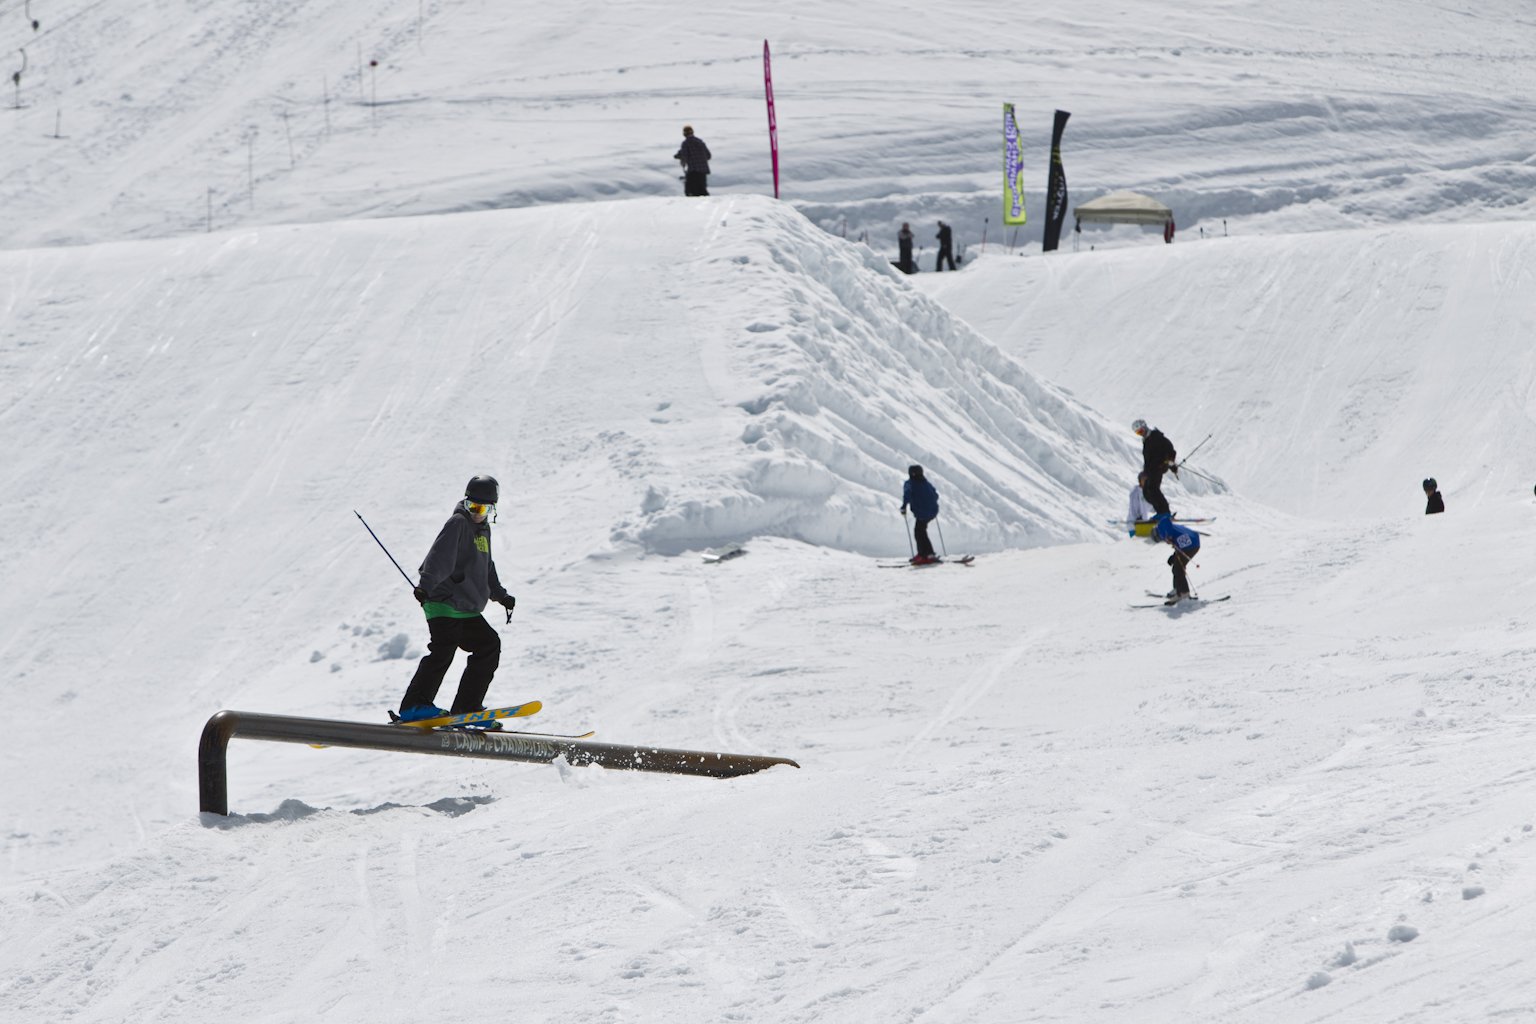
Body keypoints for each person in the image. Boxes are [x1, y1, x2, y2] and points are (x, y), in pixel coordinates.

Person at [398, 475, 518, 726]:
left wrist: (500, 595)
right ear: (465, 503)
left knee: (488, 645)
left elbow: (486, 567)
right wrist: (425, 586)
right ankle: (414, 706)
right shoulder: (458, 524)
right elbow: (439, 557)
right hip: (442, 600)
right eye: (472, 507)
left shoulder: (484, 530)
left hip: (465, 608)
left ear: (492, 509)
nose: (477, 513)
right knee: (443, 649)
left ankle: (466, 708)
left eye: (483, 509)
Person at [1151, 513, 1200, 604]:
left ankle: (1183, 593)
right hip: (1192, 543)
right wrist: (1173, 557)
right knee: (1177, 567)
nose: (1163, 541)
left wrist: (1168, 537)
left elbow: (1166, 521)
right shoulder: (1166, 529)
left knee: (1178, 569)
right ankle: (1178, 589)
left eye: (1160, 539)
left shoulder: (1165, 531)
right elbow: (1179, 544)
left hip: (1191, 545)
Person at [1132, 418, 1177, 517]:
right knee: (1146, 492)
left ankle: (1165, 512)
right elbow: (1148, 459)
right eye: (1138, 433)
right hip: (1150, 470)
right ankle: (1160, 512)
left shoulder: (1156, 437)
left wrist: (1170, 462)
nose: (1141, 434)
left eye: (1141, 431)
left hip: (1158, 467)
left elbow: (1169, 448)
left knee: (1153, 489)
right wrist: (1145, 472)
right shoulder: (1146, 441)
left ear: (1145, 427)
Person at [900, 464, 941, 564]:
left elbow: (907, 496)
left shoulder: (910, 483)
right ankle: (926, 554)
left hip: (922, 513)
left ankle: (924, 555)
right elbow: (936, 495)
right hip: (933, 511)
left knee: (919, 532)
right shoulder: (926, 483)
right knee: (921, 531)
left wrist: (904, 507)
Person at [674, 125, 712, 197]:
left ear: (684, 133)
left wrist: (680, 159)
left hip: (693, 170)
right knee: (702, 190)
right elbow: (708, 156)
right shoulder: (700, 142)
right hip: (703, 170)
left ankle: (693, 206)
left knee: (690, 190)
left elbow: (684, 155)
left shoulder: (686, 143)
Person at [1126, 471, 1155, 535]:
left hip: (1143, 524)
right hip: (1134, 525)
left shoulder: (1146, 492)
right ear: (1140, 480)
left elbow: (1149, 506)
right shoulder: (1135, 492)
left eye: (1146, 479)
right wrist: (1138, 518)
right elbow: (1133, 507)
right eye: (1143, 479)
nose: (1145, 481)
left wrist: (1160, 510)